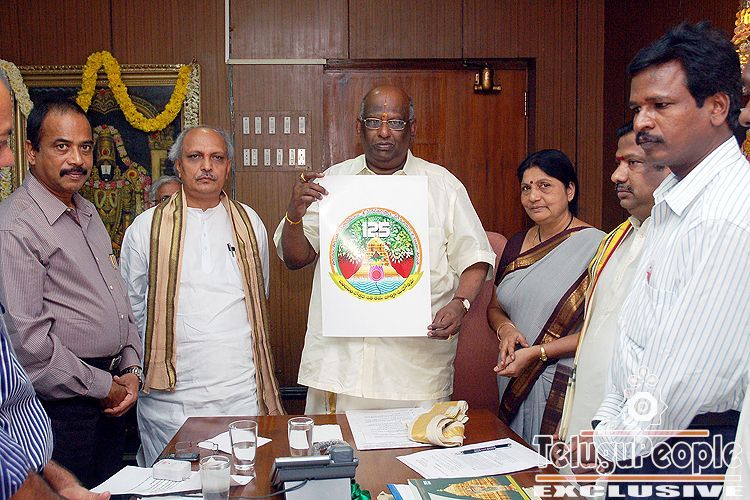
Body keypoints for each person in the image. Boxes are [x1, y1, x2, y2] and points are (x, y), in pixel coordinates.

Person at [580, 22, 750, 497]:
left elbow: (686, 382)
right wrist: (607, 426)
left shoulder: (725, 217)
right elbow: (636, 340)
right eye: (637, 108)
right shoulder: (674, 201)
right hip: (640, 440)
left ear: (717, 107)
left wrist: (607, 444)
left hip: (689, 450)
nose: (642, 122)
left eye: (661, 105)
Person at [273, 85, 494, 413]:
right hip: (341, 366)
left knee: (413, 448)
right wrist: (294, 214)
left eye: (397, 122)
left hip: (413, 368)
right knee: (337, 447)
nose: (385, 132)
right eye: (374, 122)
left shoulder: (442, 185)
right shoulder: (332, 182)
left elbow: (474, 257)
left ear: (412, 128)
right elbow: (295, 258)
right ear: (359, 127)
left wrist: (459, 304)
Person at [0, 96, 143, 488]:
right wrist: (104, 386)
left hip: (111, 397)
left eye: (85, 147)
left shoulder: (88, 212)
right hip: (63, 408)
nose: (77, 159)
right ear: (31, 151)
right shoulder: (16, 226)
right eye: (62, 146)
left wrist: (131, 368)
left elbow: (118, 301)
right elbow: (29, 346)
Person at [120, 125, 283, 466]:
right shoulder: (145, 228)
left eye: (217, 158)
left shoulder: (250, 223)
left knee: (243, 482)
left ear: (228, 167)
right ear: (178, 166)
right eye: (195, 157)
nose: (206, 166)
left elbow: (259, 298)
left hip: (239, 393)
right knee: (175, 484)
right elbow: (131, 310)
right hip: (169, 400)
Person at [558, 123, 669, 443]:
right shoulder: (614, 240)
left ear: (669, 165)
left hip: (638, 430)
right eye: (618, 163)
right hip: (588, 411)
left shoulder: (680, 243)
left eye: (632, 163)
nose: (616, 176)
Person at [487, 149, 604, 445]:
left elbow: (602, 332)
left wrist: (537, 353)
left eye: (545, 186)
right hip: (513, 376)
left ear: (569, 190)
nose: (533, 197)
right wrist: (506, 329)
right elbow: (495, 307)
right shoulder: (515, 245)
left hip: (562, 383)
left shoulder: (598, 248)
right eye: (526, 188)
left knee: (553, 469)